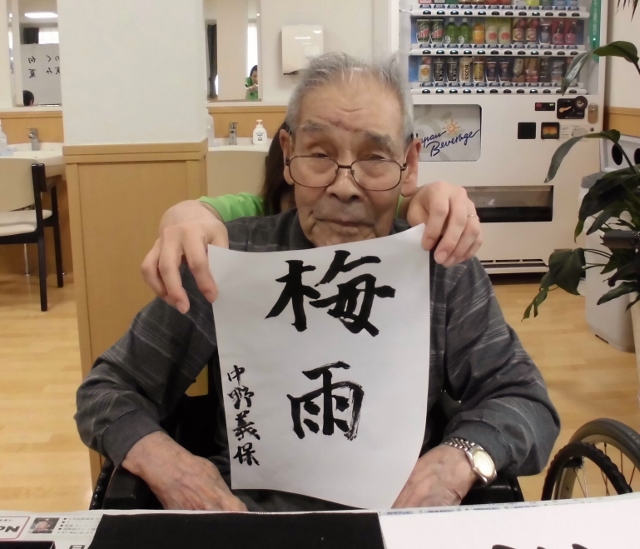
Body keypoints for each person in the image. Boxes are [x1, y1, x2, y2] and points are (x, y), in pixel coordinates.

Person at [76, 52, 559, 513]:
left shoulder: (440, 264)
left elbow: (526, 401)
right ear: (288, 155)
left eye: (375, 157)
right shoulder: (228, 259)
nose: (344, 186)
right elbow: (106, 391)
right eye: (320, 154)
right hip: (249, 522)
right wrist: (170, 465)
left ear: (409, 164)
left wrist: (458, 462)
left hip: (401, 521)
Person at [142, 122, 483, 314]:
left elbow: (409, 205)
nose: (340, 193)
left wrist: (429, 197)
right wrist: (185, 222)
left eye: (373, 158)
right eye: (318, 158)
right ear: (287, 165)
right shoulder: (252, 224)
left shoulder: (368, 218)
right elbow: (195, 215)